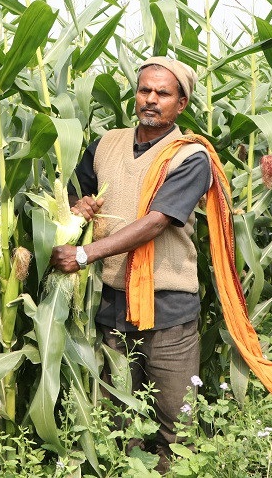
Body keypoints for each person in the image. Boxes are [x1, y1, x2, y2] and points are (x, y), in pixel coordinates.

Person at [50, 56, 210, 466]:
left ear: (181, 104)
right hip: (113, 305)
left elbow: (156, 221)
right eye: (144, 90)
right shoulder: (106, 143)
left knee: (176, 427)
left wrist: (85, 253)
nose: (151, 99)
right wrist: (79, 206)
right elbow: (73, 192)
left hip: (168, 308)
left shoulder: (190, 157)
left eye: (163, 93)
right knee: (117, 423)